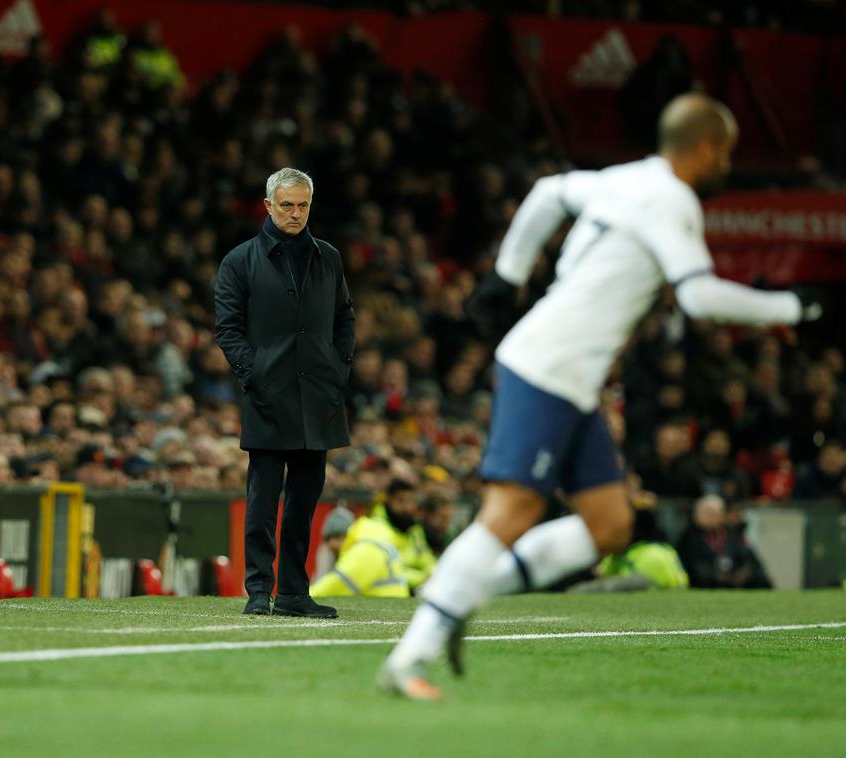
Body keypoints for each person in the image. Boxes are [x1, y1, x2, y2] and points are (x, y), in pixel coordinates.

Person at [379, 93, 823, 700]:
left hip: (569, 375)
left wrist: (507, 275)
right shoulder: (674, 201)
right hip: (550, 366)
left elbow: (545, 194)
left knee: (611, 525)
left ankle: (465, 596)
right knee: (511, 512)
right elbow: (696, 298)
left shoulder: (623, 179)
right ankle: (412, 653)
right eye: (726, 152)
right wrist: (794, 306)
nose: (727, 164)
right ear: (705, 148)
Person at [215, 167, 355, 618]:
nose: (295, 214)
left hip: (318, 396)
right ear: (268, 205)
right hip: (268, 396)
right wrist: (253, 375)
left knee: (304, 502)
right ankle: (259, 590)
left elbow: (345, 318)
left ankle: (294, 592)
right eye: (287, 205)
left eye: (303, 206)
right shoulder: (240, 260)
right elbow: (228, 328)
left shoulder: (328, 258)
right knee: (263, 499)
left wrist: (337, 370)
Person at [676, 494, 771, 589]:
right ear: (696, 516)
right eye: (706, 513)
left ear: (722, 515)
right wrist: (719, 577)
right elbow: (692, 569)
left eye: (714, 513)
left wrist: (744, 573)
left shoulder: (733, 536)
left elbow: (750, 562)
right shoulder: (688, 539)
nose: (710, 517)